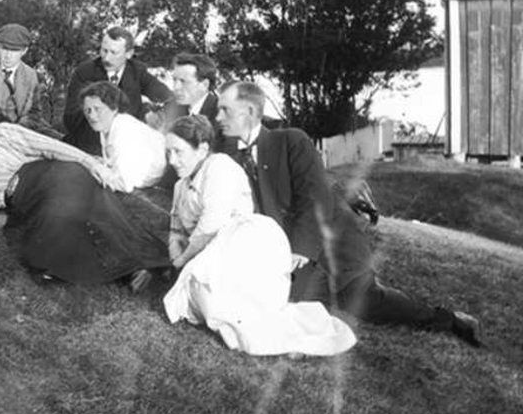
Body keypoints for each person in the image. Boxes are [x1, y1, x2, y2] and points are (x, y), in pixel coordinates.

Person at [216, 81, 481, 346]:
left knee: (365, 303)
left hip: (333, 247)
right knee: (285, 305)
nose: (218, 118)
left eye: (225, 110)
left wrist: (300, 249)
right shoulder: (225, 155)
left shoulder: (290, 141)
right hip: (282, 255)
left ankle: (452, 320)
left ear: (249, 111)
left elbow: (315, 198)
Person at [161, 116, 358, 356]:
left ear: (202, 149)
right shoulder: (180, 186)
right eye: (168, 152)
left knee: (222, 311)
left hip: (242, 246)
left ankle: (293, 337)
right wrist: (175, 255)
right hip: (210, 251)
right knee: (206, 302)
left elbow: (209, 226)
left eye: (178, 152)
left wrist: (182, 262)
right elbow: (175, 227)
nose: (172, 160)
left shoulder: (219, 166)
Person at [0, 104, 170, 285]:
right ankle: (139, 266)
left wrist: (91, 163)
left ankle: (147, 262)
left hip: (53, 176)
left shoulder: (1, 134)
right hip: (32, 200)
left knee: (65, 220)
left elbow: (49, 146)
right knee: (60, 237)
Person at [63, 26, 172, 155]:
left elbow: (170, 98)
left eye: (114, 53)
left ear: (129, 54)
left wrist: (154, 116)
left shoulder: (137, 72)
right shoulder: (84, 72)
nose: (106, 58)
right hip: (89, 148)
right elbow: (70, 118)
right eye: (104, 51)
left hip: (128, 148)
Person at [80, 81, 167, 192]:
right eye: (87, 110)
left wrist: (95, 168)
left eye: (97, 109)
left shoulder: (124, 130)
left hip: (164, 177)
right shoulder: (107, 126)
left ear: (114, 108)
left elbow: (124, 184)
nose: (91, 115)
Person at [162, 52, 220, 131]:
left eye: (183, 81)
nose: (176, 87)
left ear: (204, 85)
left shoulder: (222, 116)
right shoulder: (170, 107)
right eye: (174, 80)